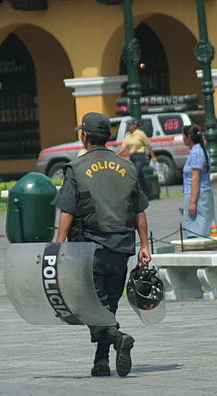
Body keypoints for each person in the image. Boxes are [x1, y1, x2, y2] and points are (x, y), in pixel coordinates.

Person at [53, 112, 151, 378]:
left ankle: (117, 338)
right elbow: (139, 210)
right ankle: (101, 361)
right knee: (109, 304)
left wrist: (58, 245)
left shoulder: (76, 168)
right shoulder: (127, 167)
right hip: (121, 248)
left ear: (84, 135)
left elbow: (67, 210)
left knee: (88, 304)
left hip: (89, 250)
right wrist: (145, 245)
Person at [182, 125, 215, 237]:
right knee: (202, 226)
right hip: (201, 194)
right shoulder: (199, 150)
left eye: (184, 136)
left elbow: (196, 178)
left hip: (197, 196)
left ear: (189, 137)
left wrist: (192, 203)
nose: (182, 138)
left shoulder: (196, 152)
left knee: (197, 229)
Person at [117, 117, 156, 197]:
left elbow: (148, 145)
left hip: (140, 156)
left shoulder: (140, 133)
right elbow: (124, 147)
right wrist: (117, 154)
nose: (128, 126)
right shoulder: (128, 134)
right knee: (140, 176)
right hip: (132, 157)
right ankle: (147, 194)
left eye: (130, 124)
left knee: (135, 173)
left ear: (134, 125)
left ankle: (136, 194)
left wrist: (153, 156)